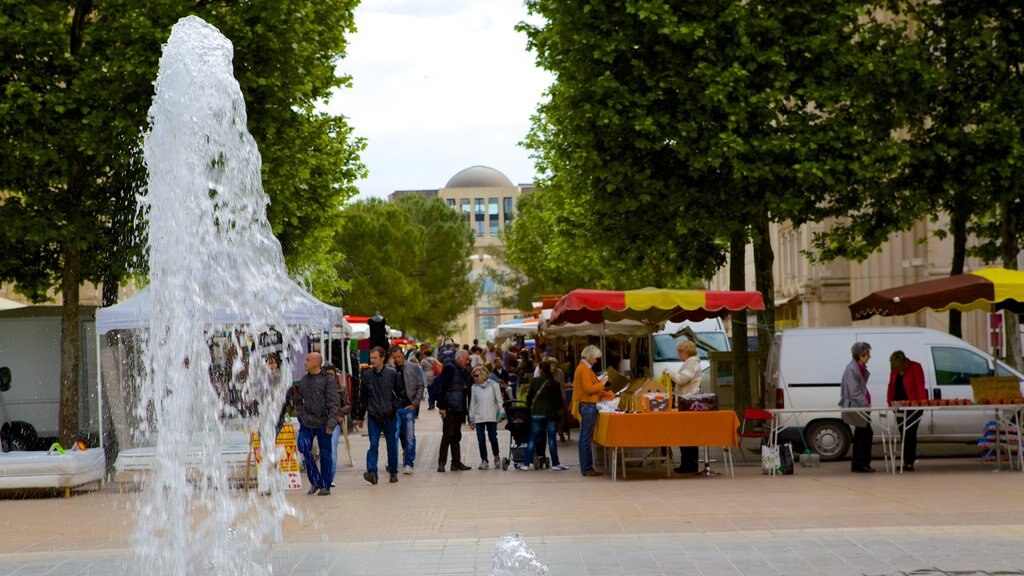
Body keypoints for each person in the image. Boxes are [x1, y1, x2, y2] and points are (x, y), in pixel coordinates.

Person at [355, 347, 405, 485]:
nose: (372, 360)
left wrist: (394, 407)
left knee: (391, 445)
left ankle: (393, 471)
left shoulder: (392, 373)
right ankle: (372, 472)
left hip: (389, 415)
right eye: (371, 358)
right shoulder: (366, 375)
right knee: (373, 444)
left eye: (375, 358)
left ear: (382, 358)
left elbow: (401, 393)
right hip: (373, 415)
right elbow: (363, 397)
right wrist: (360, 416)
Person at [296, 351, 340, 495]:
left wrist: (331, 424)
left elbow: (334, 403)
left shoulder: (328, 380)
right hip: (307, 423)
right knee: (303, 447)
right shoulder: (304, 380)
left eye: (308, 360)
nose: (305, 362)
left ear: (316, 362)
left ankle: (325, 485)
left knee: (326, 455)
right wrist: (300, 416)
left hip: (323, 423)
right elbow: (298, 401)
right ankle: (315, 480)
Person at [522, 357, 569, 471]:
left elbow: (529, 397)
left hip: (537, 413)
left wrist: (529, 408)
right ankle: (555, 463)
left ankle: (526, 463)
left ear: (540, 370)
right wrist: (554, 409)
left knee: (533, 438)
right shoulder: (555, 383)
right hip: (550, 414)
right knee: (552, 439)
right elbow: (559, 401)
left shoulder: (535, 381)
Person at [663, 339, 701, 474]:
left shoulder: (691, 364)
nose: (679, 354)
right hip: (686, 402)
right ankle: (687, 463)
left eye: (680, 351)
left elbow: (682, 379)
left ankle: (689, 464)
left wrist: (670, 373)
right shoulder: (690, 362)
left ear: (686, 351)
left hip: (688, 403)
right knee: (686, 434)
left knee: (687, 434)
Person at [434, 348, 473, 472]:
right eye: (466, 359)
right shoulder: (450, 368)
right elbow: (442, 387)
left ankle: (456, 462)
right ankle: (442, 463)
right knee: (447, 436)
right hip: (450, 408)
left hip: (459, 408)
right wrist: (442, 407)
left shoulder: (462, 371)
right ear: (459, 358)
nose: (467, 362)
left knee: (456, 436)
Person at [571, 345, 607, 477]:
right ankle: (587, 468)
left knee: (585, 437)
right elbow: (588, 389)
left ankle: (586, 467)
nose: (596, 361)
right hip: (588, 405)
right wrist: (602, 383)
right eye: (596, 358)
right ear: (590, 356)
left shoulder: (582, 367)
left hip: (586, 405)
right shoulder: (585, 369)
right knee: (586, 438)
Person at [888, 350, 926, 471]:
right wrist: (889, 401)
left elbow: (920, 386)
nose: (897, 370)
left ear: (904, 362)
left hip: (913, 406)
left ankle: (910, 462)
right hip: (898, 406)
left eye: (899, 367)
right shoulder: (894, 370)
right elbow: (891, 386)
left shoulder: (915, 367)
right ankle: (905, 461)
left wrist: (922, 403)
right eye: (895, 368)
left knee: (910, 432)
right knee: (903, 434)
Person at [840, 341, 874, 473]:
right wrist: (866, 404)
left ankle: (859, 463)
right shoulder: (852, 369)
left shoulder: (858, 368)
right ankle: (861, 463)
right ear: (861, 355)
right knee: (864, 434)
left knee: (862, 434)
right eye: (867, 354)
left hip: (861, 407)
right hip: (858, 407)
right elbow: (854, 391)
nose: (869, 357)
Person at [390, 345, 424, 474]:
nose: (397, 360)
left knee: (410, 436)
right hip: (396, 408)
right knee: (394, 436)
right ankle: (393, 463)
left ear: (403, 355)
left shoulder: (414, 368)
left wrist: (415, 403)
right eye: (395, 358)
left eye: (399, 356)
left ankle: (409, 462)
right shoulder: (390, 370)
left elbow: (421, 385)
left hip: (409, 406)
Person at [468, 365, 503, 469]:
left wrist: (501, 414)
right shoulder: (474, 387)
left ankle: (496, 455)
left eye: (477, 375)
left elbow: (499, 401)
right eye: (474, 376)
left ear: (484, 375)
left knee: (493, 438)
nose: (475, 378)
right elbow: (472, 404)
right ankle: (484, 460)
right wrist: (471, 419)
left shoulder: (494, 385)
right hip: (479, 418)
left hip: (491, 417)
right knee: (481, 439)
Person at [323, 363, 352, 486]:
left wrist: (339, 413)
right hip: (319, 422)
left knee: (332, 450)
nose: (329, 377)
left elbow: (348, 405)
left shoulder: (341, 389)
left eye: (331, 375)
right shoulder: (319, 387)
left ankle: (329, 477)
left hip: (334, 422)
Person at [421, 346, 441, 410]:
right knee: (433, 390)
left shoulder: (423, 361)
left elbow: (421, 369)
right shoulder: (434, 359)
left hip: (427, 376)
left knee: (429, 391)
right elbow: (440, 365)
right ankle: (432, 404)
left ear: (425, 354)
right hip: (434, 376)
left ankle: (431, 404)